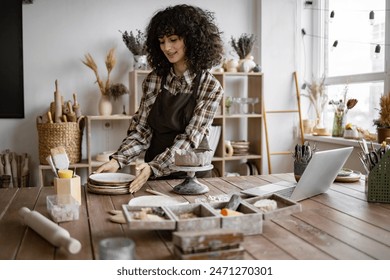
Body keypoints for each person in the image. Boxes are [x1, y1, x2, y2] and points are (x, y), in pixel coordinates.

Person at [95, 4, 224, 193]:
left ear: (192, 39)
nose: (167, 47)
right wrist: (117, 160)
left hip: (191, 177)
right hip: (153, 172)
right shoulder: (154, 80)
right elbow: (141, 130)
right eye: (161, 41)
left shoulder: (210, 86)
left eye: (173, 40)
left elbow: (189, 139)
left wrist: (154, 167)